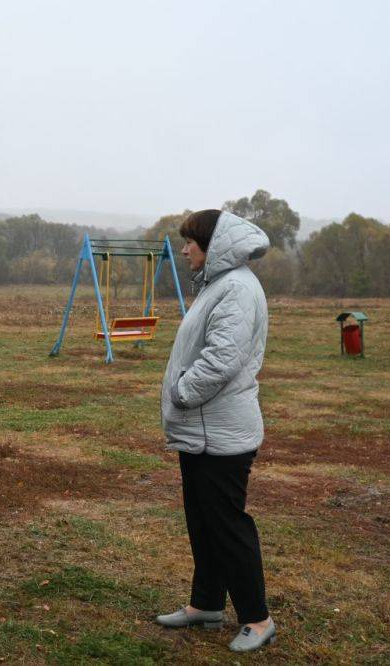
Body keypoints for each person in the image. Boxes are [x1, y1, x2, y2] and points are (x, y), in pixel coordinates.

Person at [155, 209, 275, 652]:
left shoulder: (238, 290)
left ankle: (257, 618)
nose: (184, 249)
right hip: (201, 430)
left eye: (190, 242)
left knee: (227, 525)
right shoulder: (218, 285)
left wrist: (183, 392)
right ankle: (206, 604)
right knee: (202, 522)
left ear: (213, 245)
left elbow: (221, 359)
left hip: (219, 431)